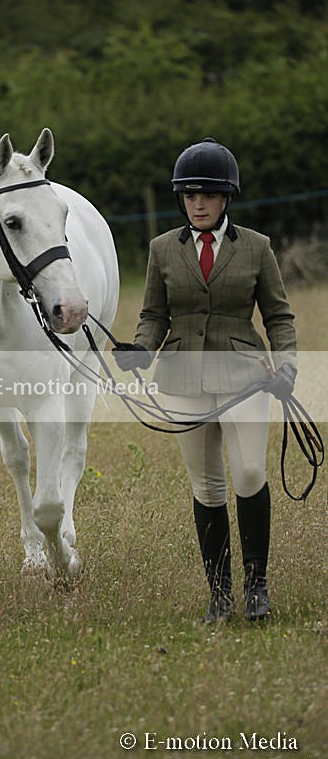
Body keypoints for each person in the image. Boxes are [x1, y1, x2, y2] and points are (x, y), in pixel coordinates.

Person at [113, 137, 297, 623]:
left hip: (245, 376)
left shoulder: (257, 248)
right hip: (183, 376)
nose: (197, 204)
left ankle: (257, 586)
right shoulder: (162, 250)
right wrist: (140, 350)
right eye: (190, 195)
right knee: (207, 487)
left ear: (226, 198)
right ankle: (219, 595)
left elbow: (279, 316)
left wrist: (288, 365)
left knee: (251, 473)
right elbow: (154, 314)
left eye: (207, 195)